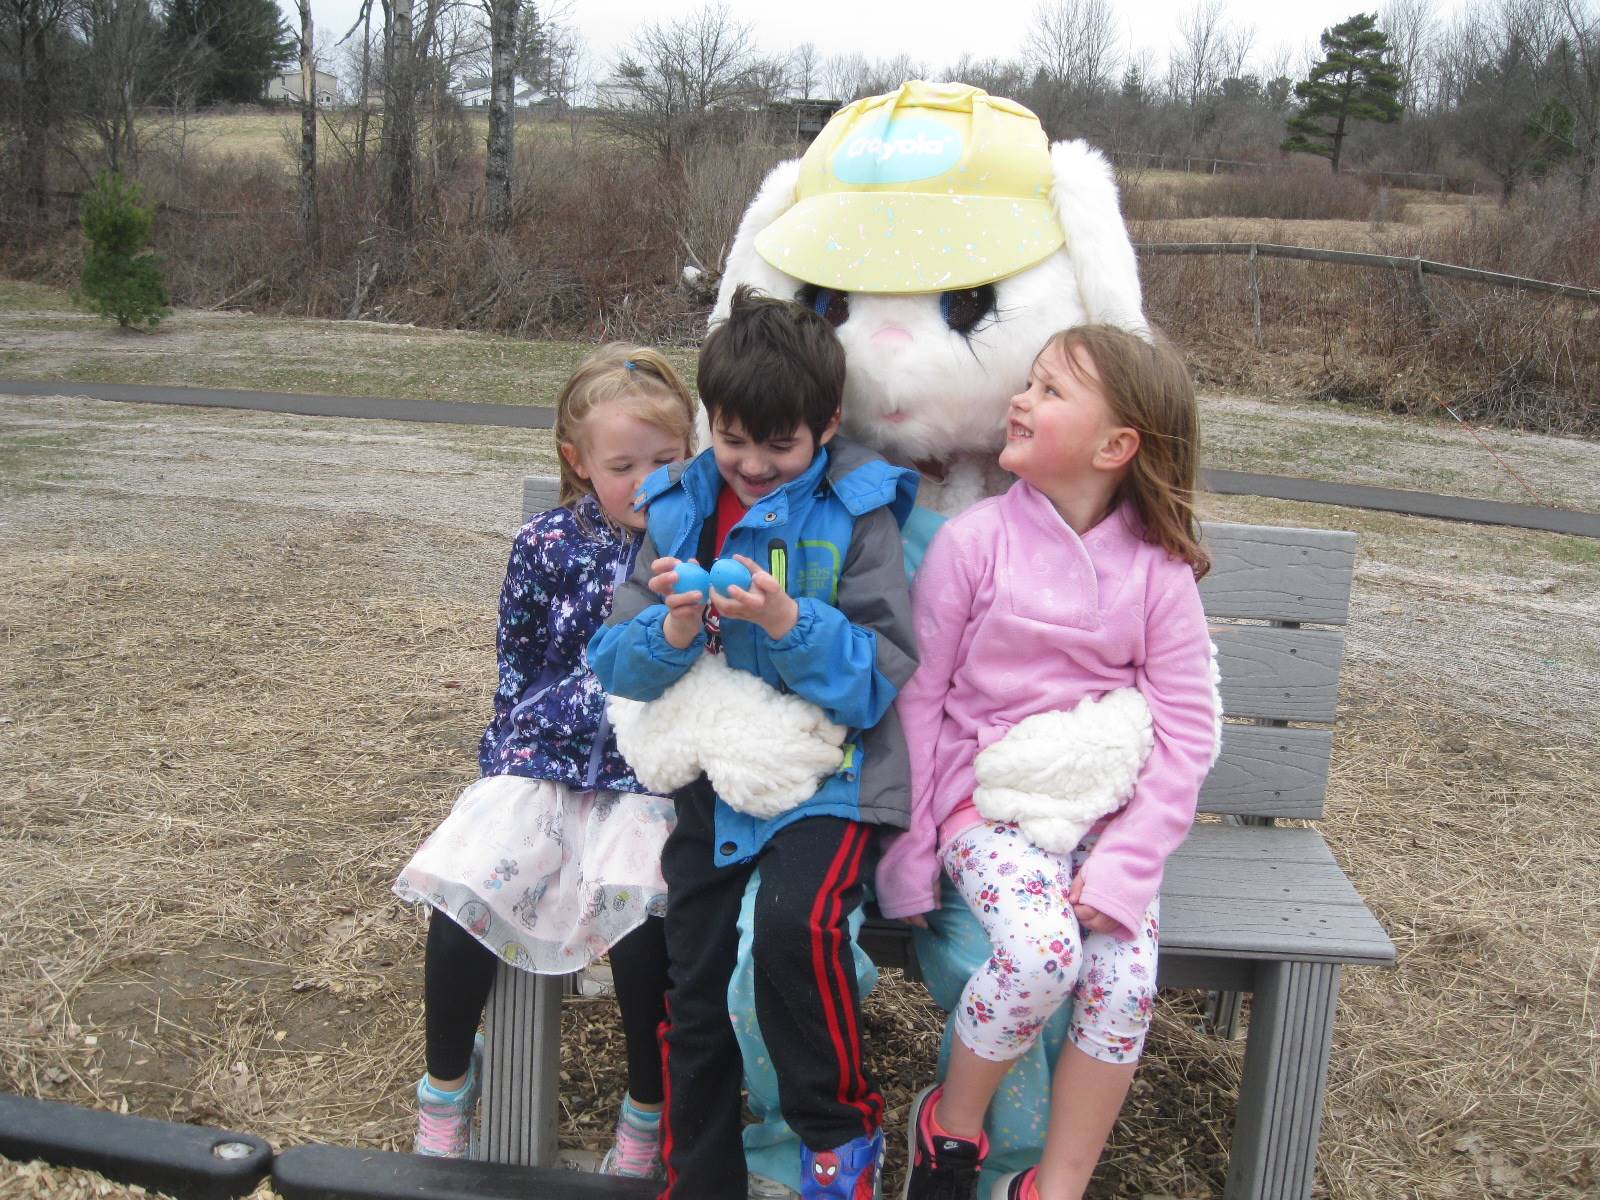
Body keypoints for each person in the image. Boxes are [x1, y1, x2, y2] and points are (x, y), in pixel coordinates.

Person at [874, 325, 1222, 1200]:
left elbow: (1186, 734)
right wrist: (910, 855)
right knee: (1040, 955)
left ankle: (1055, 1188)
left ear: (1116, 446)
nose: (1021, 401)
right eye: (1028, 383)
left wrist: (1127, 868)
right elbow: (920, 702)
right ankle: (951, 1130)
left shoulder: (1158, 573)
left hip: (1106, 825)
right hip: (988, 813)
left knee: (1125, 983)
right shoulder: (973, 544)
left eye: (1051, 390)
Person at [588, 286, 920, 1200]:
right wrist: (675, 632)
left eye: (782, 446)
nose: (756, 466)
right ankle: (698, 1176)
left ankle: (839, 1136)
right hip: (717, 778)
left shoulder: (859, 513)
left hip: (829, 779)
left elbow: (880, 675)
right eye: (734, 441)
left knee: (793, 927)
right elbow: (615, 661)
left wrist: (788, 622)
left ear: (828, 424)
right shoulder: (678, 509)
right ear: (710, 422)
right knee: (688, 976)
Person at [393, 345, 697, 1177]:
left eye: (665, 462)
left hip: (645, 777)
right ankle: (447, 1092)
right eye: (622, 465)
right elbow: (517, 667)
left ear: (691, 455)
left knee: (646, 927)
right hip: (542, 764)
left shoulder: (697, 549)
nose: (644, 482)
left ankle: (644, 1114)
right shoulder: (545, 544)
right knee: (464, 898)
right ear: (578, 462)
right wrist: (508, 763)